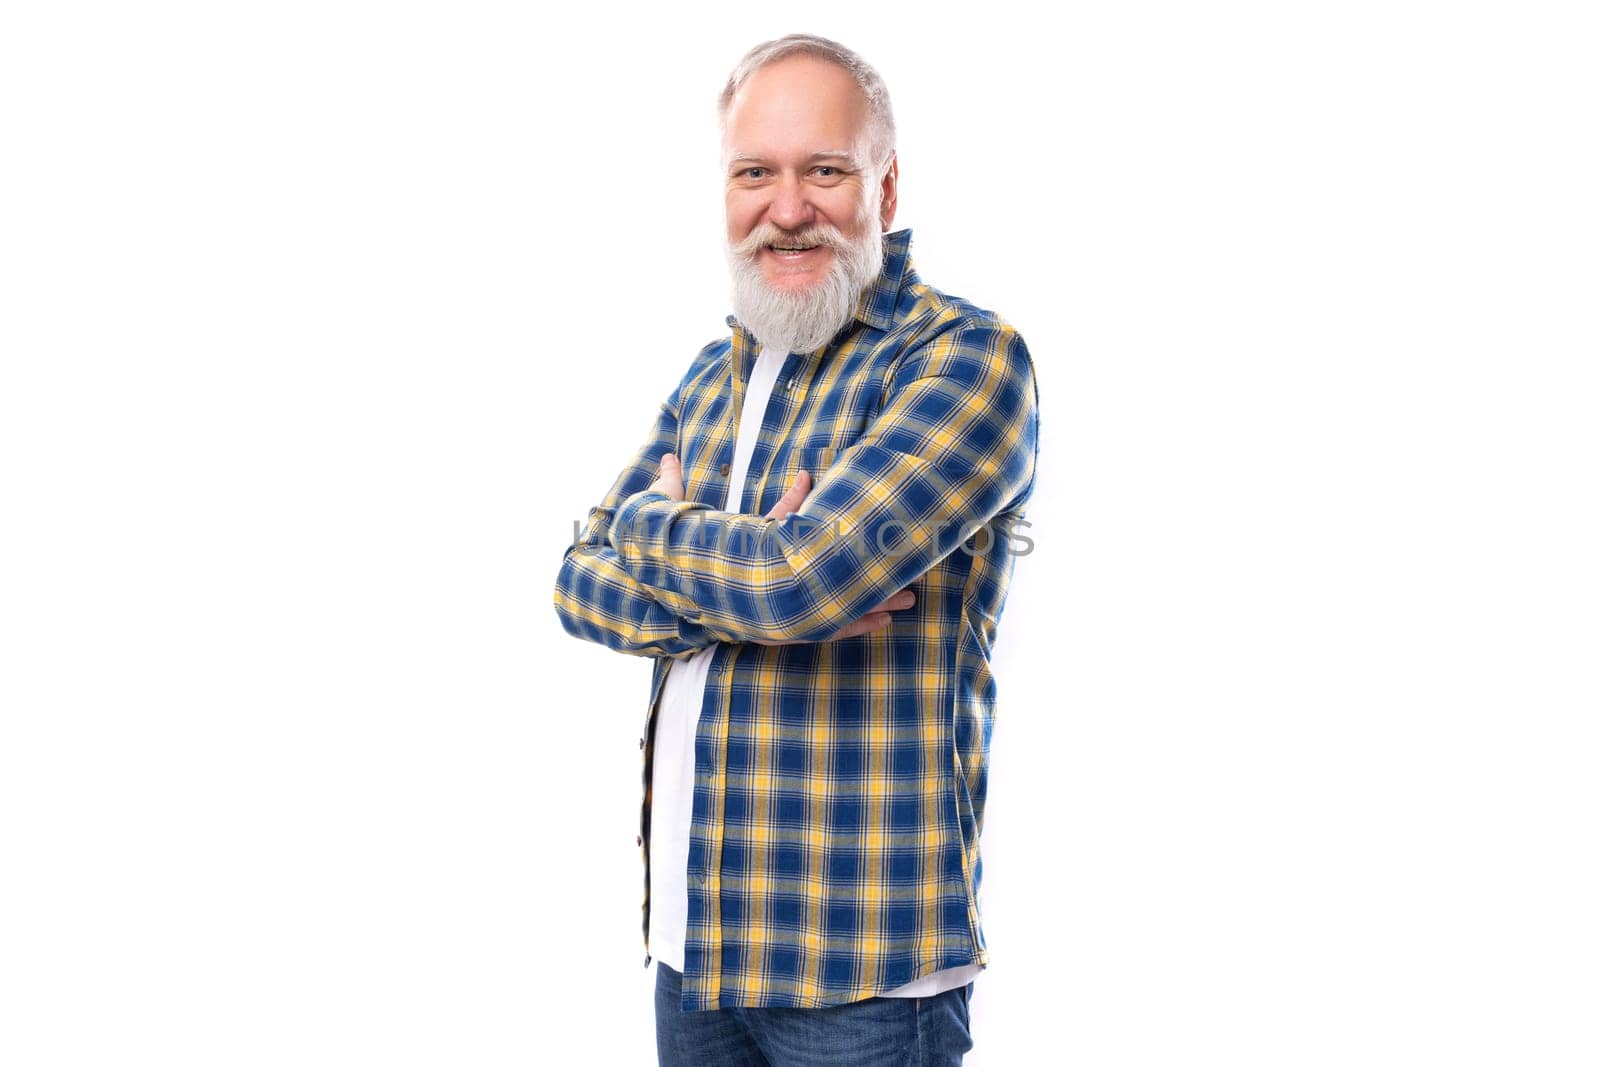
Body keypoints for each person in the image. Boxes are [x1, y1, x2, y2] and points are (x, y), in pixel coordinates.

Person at [552, 33, 1039, 1065]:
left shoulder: (964, 359)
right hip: (693, 957)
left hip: (861, 978)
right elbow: (576, 580)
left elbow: (799, 579)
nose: (787, 207)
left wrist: (660, 534)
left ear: (885, 186)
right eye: (753, 173)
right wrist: (754, 570)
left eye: (824, 169)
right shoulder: (714, 369)